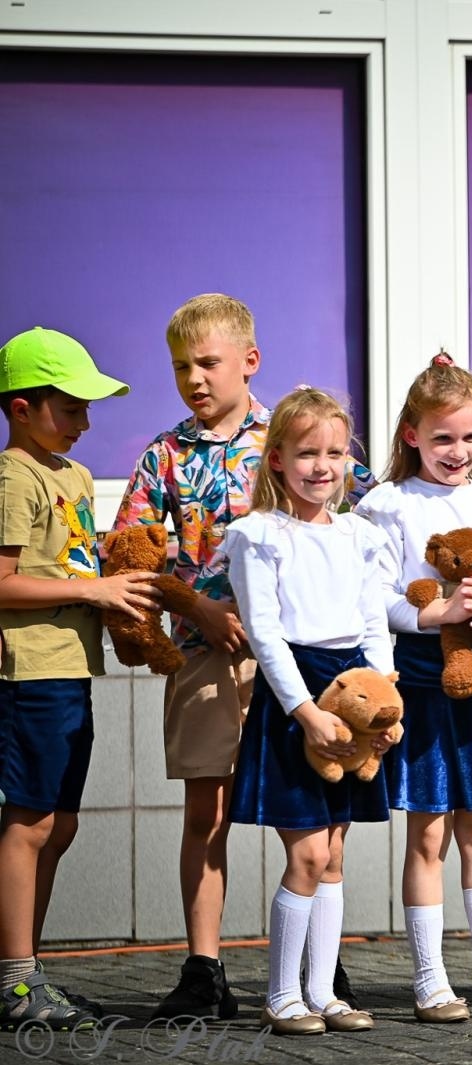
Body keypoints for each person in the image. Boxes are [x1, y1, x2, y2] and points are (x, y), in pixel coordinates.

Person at [114, 293, 372, 1018]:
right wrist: (195, 604)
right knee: (210, 807)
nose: (194, 378)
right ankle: (204, 968)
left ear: (249, 361)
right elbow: (130, 552)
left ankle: (323, 965)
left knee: (327, 809)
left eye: (208, 362)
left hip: (305, 659)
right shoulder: (165, 455)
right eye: (180, 367)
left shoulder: (292, 437)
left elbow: (364, 523)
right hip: (210, 654)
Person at [356, 354, 472, 1022]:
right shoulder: (385, 503)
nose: (457, 451)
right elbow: (377, 599)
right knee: (428, 835)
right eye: (442, 438)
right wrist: (442, 614)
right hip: (424, 678)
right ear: (412, 434)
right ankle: (431, 980)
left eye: (469, 437)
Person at [222, 386, 394, 1036]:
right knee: (307, 854)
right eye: (306, 453)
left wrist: (381, 696)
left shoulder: (360, 536)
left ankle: (323, 991)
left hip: (354, 692)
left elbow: (374, 621)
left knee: (337, 854)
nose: (322, 466)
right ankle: (280, 994)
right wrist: (304, 710)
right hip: (298, 699)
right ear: (277, 461)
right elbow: (265, 633)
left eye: (335, 452)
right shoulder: (260, 535)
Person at [0, 327, 149, 1032]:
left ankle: (27, 969)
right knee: (29, 824)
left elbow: (82, 567)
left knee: (58, 824)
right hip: (30, 674)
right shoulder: (12, 476)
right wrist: (93, 593)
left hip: (70, 671)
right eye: (71, 406)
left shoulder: (75, 477)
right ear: (22, 407)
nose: (86, 421)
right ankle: (16, 980)